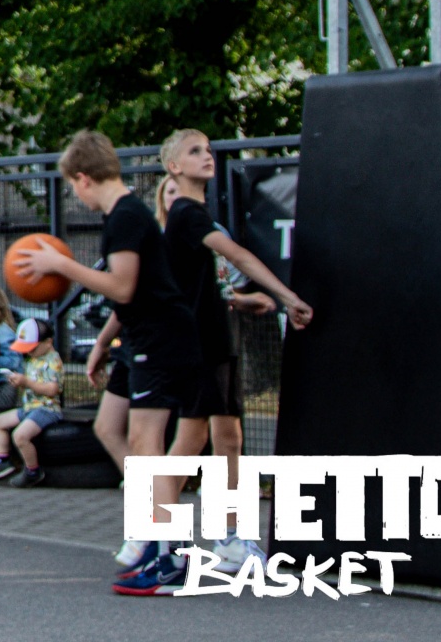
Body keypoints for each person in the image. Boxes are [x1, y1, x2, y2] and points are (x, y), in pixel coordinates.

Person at [16, 129, 201, 596]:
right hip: (140, 337)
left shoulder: (126, 216)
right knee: (110, 428)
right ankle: (152, 532)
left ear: (82, 178)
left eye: (71, 185)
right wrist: (102, 344)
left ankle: (173, 555)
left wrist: (62, 266)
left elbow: (122, 286)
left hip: (160, 338)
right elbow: (130, 294)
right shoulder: (126, 215)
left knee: (146, 445)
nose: (75, 194)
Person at [156, 130, 314, 573]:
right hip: (196, 346)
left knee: (230, 440)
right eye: (194, 151)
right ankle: (154, 538)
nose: (206, 156)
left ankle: (230, 540)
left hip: (218, 340)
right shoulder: (186, 212)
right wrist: (287, 296)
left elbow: (208, 286)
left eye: (208, 150)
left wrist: (243, 301)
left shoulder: (197, 214)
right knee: (191, 441)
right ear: (173, 167)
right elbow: (239, 256)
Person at [0, 318, 64, 487]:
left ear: (48, 342)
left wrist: (27, 382)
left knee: (20, 435)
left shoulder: (53, 361)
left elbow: (53, 389)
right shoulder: (33, 359)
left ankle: (32, 471)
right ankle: (3, 460)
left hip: (46, 409)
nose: (29, 352)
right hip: (29, 407)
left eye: (32, 348)